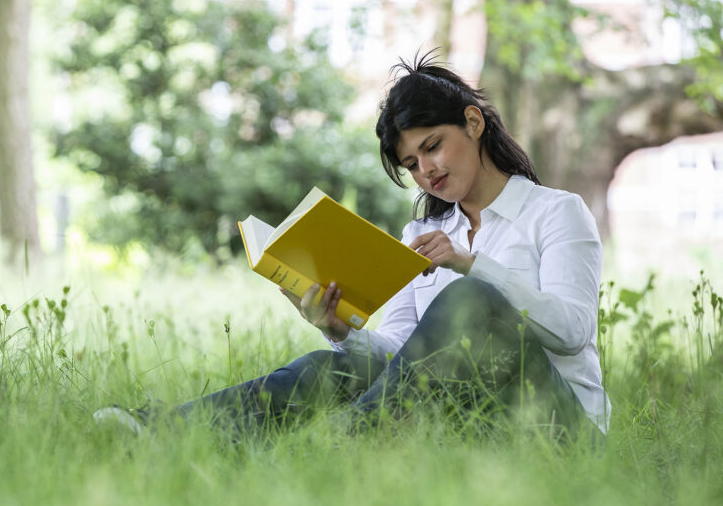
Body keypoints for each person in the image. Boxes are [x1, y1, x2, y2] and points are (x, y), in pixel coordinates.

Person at [94, 53, 610, 438]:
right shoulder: (420, 237)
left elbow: (571, 331)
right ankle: (161, 433)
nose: (426, 170)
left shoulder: (556, 212)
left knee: (469, 301)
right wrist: (340, 330)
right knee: (334, 365)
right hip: (468, 427)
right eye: (411, 164)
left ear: (473, 123)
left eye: (432, 146)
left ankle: (343, 444)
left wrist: (472, 265)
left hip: (557, 427)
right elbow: (399, 355)